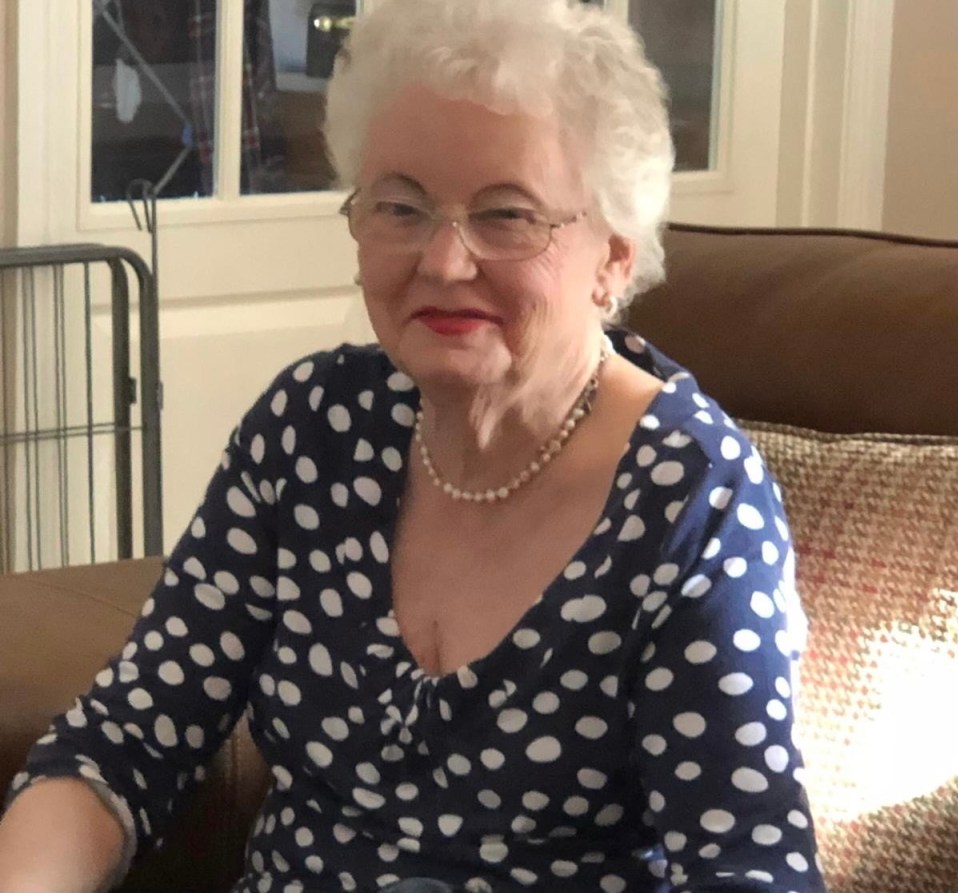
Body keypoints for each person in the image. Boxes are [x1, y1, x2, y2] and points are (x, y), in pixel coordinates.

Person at [0, 1, 825, 891]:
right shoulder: (312, 428)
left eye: (507, 215)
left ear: (614, 257)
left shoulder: (692, 499)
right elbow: (122, 740)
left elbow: (748, 865)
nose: (443, 260)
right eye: (402, 205)